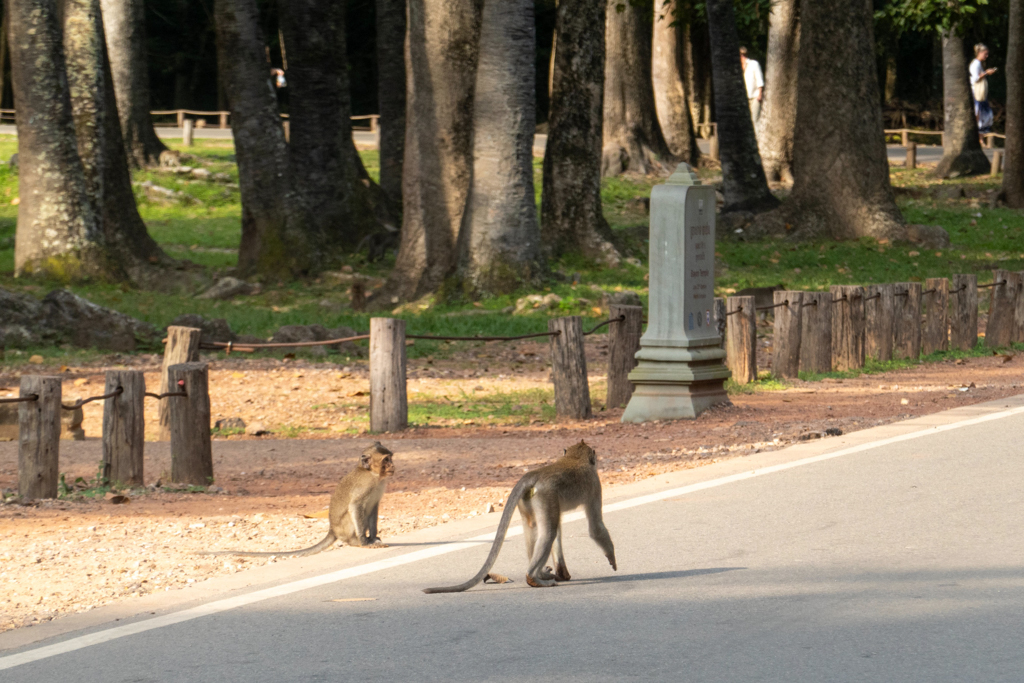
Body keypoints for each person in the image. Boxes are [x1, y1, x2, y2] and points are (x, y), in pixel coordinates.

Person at [970, 43, 996, 137]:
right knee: (978, 113)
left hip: (981, 93)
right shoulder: (975, 64)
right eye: (985, 54)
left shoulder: (979, 64)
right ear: (980, 53)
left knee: (982, 113)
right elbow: (975, 78)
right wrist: (986, 73)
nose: (986, 56)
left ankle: (980, 137)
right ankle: (978, 135)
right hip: (976, 92)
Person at [740, 46, 764, 123]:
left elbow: (759, 79)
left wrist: (760, 94)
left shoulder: (754, 64)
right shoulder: (738, 67)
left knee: (754, 120)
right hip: (743, 98)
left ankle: (756, 135)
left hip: (754, 97)